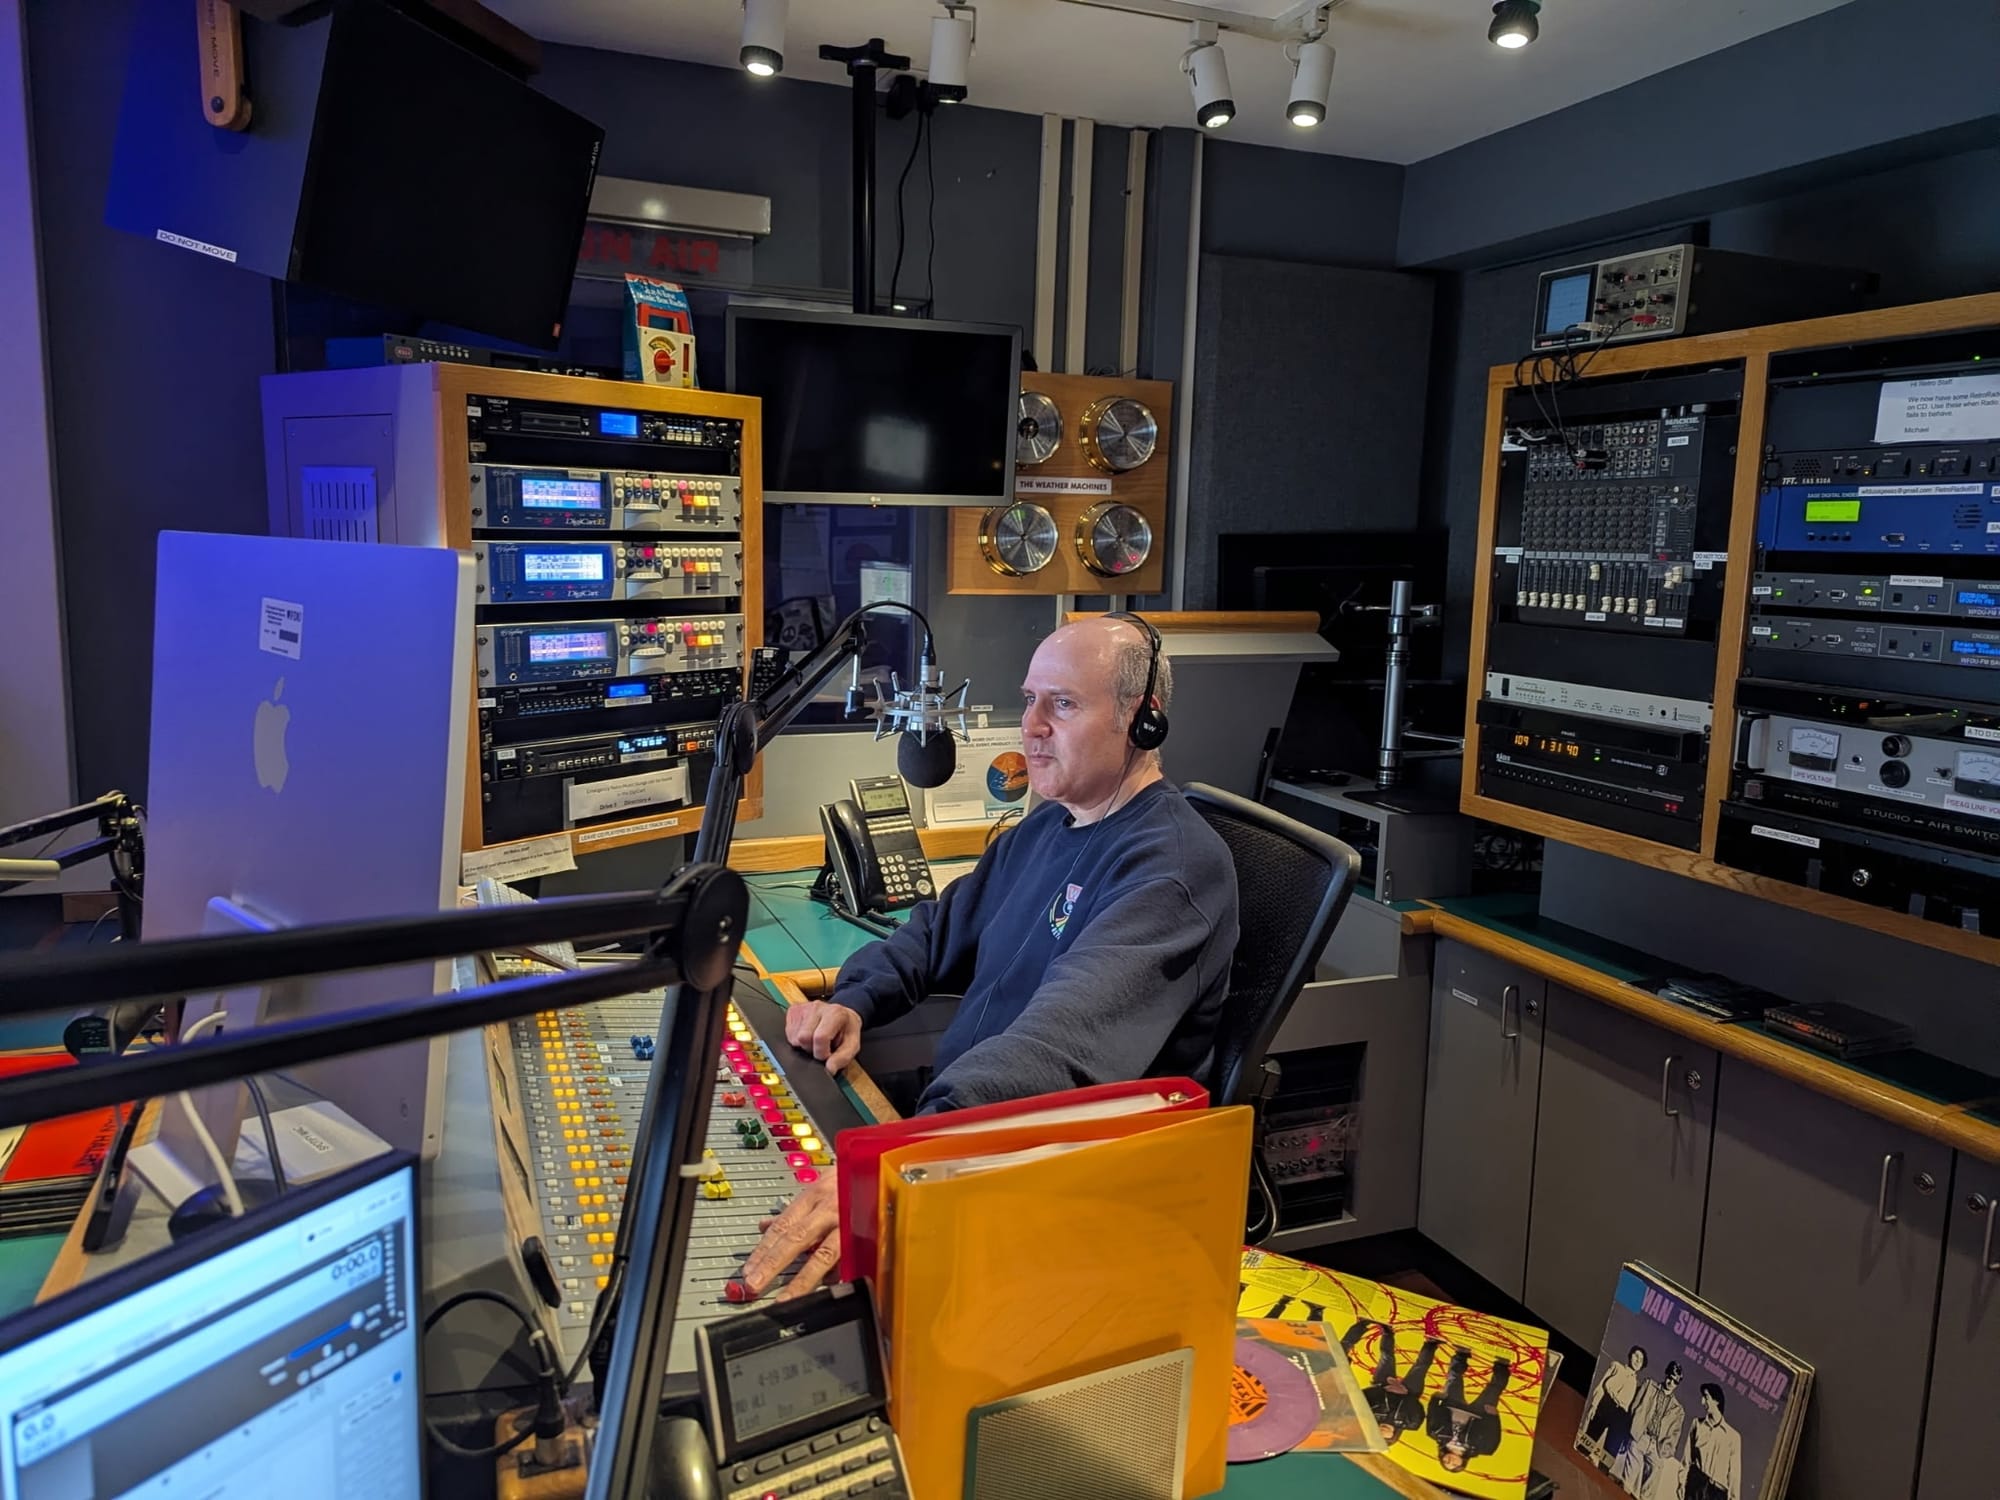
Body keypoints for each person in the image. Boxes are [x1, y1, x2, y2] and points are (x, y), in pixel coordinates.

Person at [736, 614, 1241, 1302]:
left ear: (1142, 718)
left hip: (1059, 1183)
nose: (1031, 725)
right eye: (1030, 699)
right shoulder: (1049, 823)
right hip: (969, 1138)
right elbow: (937, 931)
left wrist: (903, 1155)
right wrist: (854, 999)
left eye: (1062, 704)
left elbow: (1054, 1048)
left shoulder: (1172, 871)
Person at [1341, 1320, 1437, 1446]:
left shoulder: (1369, 1414)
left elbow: (1364, 1395)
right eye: (1384, 1437)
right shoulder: (1411, 1423)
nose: (1382, 1432)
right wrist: (1407, 1395)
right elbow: (1419, 1410)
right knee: (1421, 1367)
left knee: (1386, 1357)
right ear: (1393, 1436)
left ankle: (1387, 1332)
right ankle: (1430, 1344)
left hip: (1382, 1384)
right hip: (1410, 1392)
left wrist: (1383, 1388)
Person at [1425, 1347, 1511, 1474]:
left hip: (1453, 1407)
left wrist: (1435, 1399)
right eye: (1454, 1464)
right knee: (1493, 1390)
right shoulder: (1483, 1449)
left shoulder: (1436, 1435)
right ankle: (1502, 1367)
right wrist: (1494, 1417)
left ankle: (1460, 1356)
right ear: (1462, 1463)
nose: (1450, 1461)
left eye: (1446, 1462)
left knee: (1453, 1379)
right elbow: (1494, 1434)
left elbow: (1432, 1416)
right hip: (1480, 1414)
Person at [1619, 1359, 1686, 1499]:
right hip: (1640, 1437)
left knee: (1648, 1493)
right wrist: (1633, 1430)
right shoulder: (1649, 1385)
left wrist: (1665, 1450)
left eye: (1675, 1381)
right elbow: (1634, 1406)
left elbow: (1675, 1434)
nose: (1671, 1382)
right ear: (1666, 1374)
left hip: (1657, 1447)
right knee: (1626, 1483)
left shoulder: (1678, 1410)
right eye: (1670, 1377)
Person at [1583, 1344, 1648, 1470]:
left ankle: (1601, 1473)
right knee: (1587, 1442)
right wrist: (1594, 1405)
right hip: (1606, 1405)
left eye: (1641, 1360)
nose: (1637, 1360)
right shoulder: (1616, 1366)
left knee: (1608, 1456)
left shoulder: (1638, 1386)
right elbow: (1601, 1387)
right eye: (1636, 1356)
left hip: (1621, 1417)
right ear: (1630, 1355)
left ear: (1642, 1366)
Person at [1680, 1383, 1742, 1500]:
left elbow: (1734, 1475)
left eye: (1706, 1397)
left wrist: (1733, 1498)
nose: (1702, 1402)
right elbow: (1687, 1459)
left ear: (1716, 1401)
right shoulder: (1697, 1424)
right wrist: (1681, 1483)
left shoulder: (1733, 1437)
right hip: (1695, 1486)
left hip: (1717, 1494)